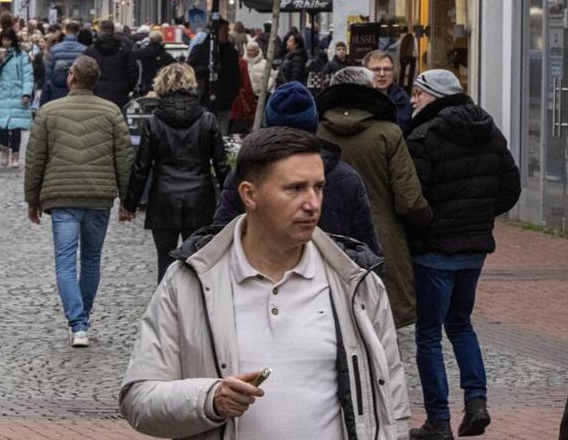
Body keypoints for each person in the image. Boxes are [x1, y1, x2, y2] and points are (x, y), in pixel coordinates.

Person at [119, 127, 410, 440]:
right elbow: (139, 399)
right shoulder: (189, 281)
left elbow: (392, 399)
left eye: (319, 187)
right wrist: (209, 399)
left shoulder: (357, 281)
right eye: (295, 188)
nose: (312, 203)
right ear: (249, 194)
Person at [405, 70, 521, 440]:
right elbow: (511, 187)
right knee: (460, 324)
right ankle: (476, 401)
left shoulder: (423, 137)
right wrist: (481, 217)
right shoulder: (489, 130)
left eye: (418, 94)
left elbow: (415, 200)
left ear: (434, 96)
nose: (413, 100)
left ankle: (438, 420)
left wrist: (429, 227)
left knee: (428, 335)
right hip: (474, 250)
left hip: (435, 250)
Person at [24, 55, 133, 347]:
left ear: (72, 78)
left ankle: (77, 323)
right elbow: (123, 159)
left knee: (65, 262)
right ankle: (83, 318)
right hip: (99, 196)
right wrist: (127, 199)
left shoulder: (49, 112)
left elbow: (35, 159)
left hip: (62, 196)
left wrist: (32, 199)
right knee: (92, 259)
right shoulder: (111, 112)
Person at [316, 66, 432, 328]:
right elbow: (409, 199)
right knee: (381, 323)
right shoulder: (388, 133)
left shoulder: (314, 130)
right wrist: (426, 224)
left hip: (322, 235)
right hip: (382, 240)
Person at [211, 82, 380, 253]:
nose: (311, 205)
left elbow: (219, 242)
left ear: (269, 125)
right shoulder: (346, 178)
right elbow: (367, 251)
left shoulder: (247, 174)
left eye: (318, 187)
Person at [121, 63, 229, 282]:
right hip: (200, 198)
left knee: (165, 261)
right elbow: (221, 166)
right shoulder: (207, 120)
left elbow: (141, 167)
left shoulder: (154, 122)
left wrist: (130, 203)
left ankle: (166, 309)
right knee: (197, 261)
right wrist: (232, 202)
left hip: (164, 198)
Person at [0, 27, 33, 168]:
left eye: (8, 40)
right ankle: (5, 149)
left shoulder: (22, 56)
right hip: (2, 93)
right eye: (4, 40)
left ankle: (15, 154)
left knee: (16, 127)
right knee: (1, 126)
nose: (6, 42)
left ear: (13, 41)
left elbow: (28, 75)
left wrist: (26, 93)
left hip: (17, 94)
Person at [187, 19, 241, 136]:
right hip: (204, 100)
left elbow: (236, 76)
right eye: (224, 31)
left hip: (224, 101)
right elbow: (189, 71)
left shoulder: (231, 52)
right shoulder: (200, 49)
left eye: (228, 30)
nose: (227, 34)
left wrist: (232, 94)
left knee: (221, 135)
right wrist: (207, 67)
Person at [84, 19, 139, 110]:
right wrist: (128, 87)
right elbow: (133, 70)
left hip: (96, 92)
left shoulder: (90, 50)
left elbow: (84, 71)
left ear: (100, 30)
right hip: (119, 92)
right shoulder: (124, 49)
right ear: (113, 31)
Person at [363, 50, 413, 133]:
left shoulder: (405, 100)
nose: (382, 74)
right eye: (376, 69)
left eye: (387, 69)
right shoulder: (356, 99)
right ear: (365, 72)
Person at [41, 19, 87, 106]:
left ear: (65, 31)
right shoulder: (84, 50)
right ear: (77, 33)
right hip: (77, 91)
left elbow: (48, 72)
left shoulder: (55, 49)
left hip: (56, 93)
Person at [132, 30, 175, 98]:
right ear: (161, 41)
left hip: (143, 86)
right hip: (160, 87)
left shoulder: (139, 53)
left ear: (150, 40)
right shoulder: (165, 56)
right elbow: (174, 67)